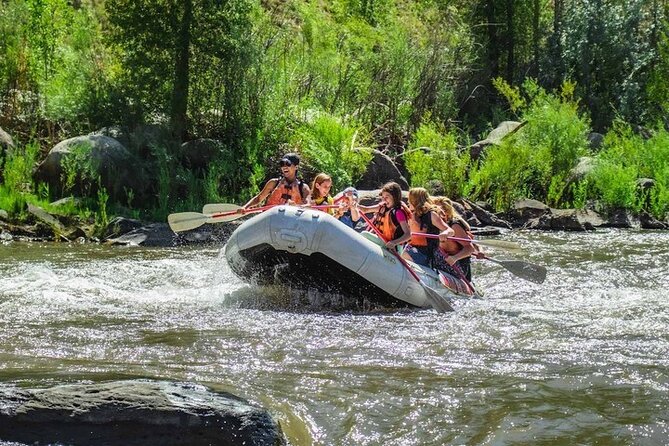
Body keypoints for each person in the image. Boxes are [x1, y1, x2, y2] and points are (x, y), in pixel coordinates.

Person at [402, 188, 454, 267]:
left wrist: (445, 233)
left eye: (410, 199)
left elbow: (450, 230)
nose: (408, 202)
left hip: (426, 253)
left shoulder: (431, 215)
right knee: (403, 251)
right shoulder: (412, 214)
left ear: (416, 200)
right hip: (412, 248)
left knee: (405, 254)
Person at [432, 196, 477, 281]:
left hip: (457, 264)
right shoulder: (436, 224)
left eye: (435, 210)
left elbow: (470, 248)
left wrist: (454, 258)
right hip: (442, 260)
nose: (432, 212)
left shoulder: (455, 226)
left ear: (445, 212)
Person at [243, 152, 310, 209]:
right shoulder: (273, 183)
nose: (284, 167)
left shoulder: (303, 188)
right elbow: (258, 199)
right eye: (282, 164)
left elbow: (308, 206)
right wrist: (245, 207)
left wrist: (296, 206)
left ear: (296, 167)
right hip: (271, 220)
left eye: (288, 164)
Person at [357, 182, 412, 251]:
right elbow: (365, 210)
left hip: (393, 247)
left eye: (387, 197)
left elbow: (408, 234)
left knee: (364, 234)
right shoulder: (383, 207)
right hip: (382, 241)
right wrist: (354, 205)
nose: (384, 200)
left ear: (395, 197)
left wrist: (394, 242)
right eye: (383, 197)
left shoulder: (398, 212)